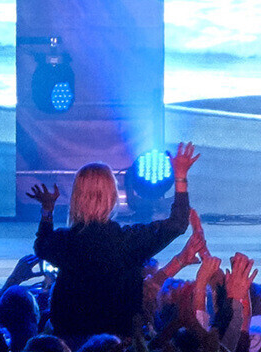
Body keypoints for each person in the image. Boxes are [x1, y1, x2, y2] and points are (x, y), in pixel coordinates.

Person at [30, 140, 197, 340]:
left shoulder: (64, 241)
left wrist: (47, 210)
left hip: (69, 339)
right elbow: (178, 224)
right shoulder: (128, 241)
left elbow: (41, 246)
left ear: (76, 196)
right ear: (112, 197)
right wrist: (180, 177)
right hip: (117, 343)